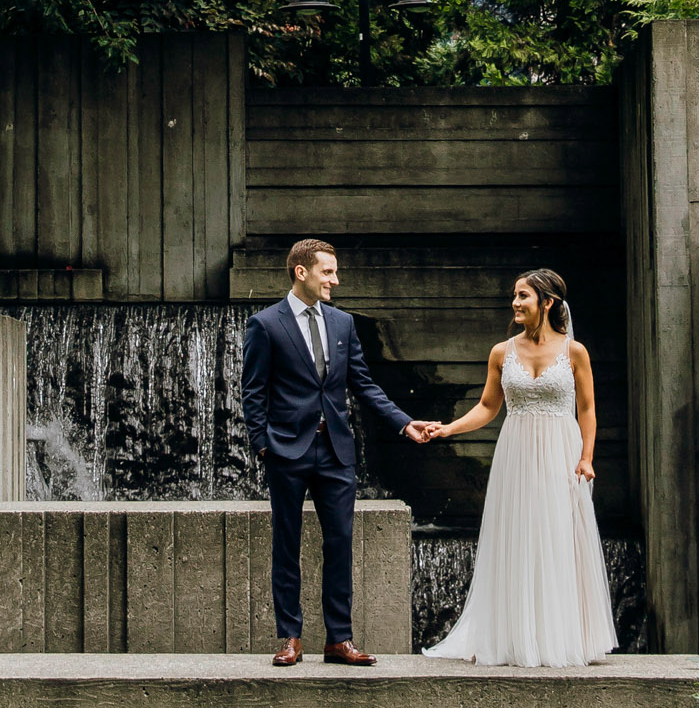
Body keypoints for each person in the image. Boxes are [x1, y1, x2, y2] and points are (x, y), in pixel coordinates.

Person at [241, 237, 431, 668]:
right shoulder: (265, 324)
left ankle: (338, 639)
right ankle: (290, 637)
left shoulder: (343, 323)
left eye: (335, 271)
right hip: (287, 451)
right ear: (301, 272)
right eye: (328, 271)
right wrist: (264, 445)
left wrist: (404, 421)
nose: (335, 279)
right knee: (286, 545)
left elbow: (363, 384)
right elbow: (252, 393)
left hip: (336, 451)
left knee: (340, 543)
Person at [417, 268, 618, 668]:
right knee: (520, 535)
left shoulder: (574, 351)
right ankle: (515, 635)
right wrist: (449, 428)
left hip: (562, 450)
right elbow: (489, 407)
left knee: (557, 536)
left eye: (523, 296)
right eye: (514, 295)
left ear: (547, 302)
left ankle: (560, 638)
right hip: (517, 452)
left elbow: (588, 408)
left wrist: (587, 457)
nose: (515, 303)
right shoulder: (501, 351)